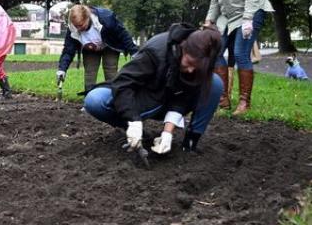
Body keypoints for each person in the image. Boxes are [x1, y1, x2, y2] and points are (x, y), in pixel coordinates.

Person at [83, 24, 223, 155]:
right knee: (95, 99)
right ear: (183, 47)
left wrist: (167, 133)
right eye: (190, 63)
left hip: (167, 101)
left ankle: (190, 143)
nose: (191, 69)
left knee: (215, 83)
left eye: (196, 67)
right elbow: (123, 83)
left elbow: (182, 97)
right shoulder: (156, 50)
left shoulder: (198, 62)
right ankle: (136, 132)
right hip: (144, 96)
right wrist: (133, 120)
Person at [201, 0, 273, 115]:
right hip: (228, 16)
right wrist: (209, 20)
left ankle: (244, 103)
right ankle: (222, 99)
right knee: (214, 51)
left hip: (252, 10)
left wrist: (248, 18)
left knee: (241, 54)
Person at [56, 4, 138, 92]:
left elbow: (123, 34)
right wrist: (62, 69)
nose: (78, 29)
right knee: (90, 72)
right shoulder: (73, 29)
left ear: (87, 18)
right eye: (76, 26)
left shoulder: (106, 19)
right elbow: (68, 50)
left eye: (81, 25)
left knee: (110, 69)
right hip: (90, 48)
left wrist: (134, 52)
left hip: (109, 44)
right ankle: (89, 99)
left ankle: (113, 97)